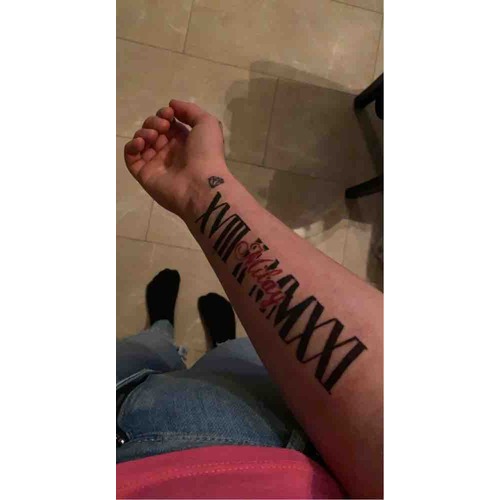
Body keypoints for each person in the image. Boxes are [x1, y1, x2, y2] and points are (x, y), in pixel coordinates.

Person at [117, 100, 383, 499]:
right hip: (252, 433)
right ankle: (216, 339)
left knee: (145, 349)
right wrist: (200, 188)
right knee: (237, 355)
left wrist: (200, 190)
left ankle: (160, 327)